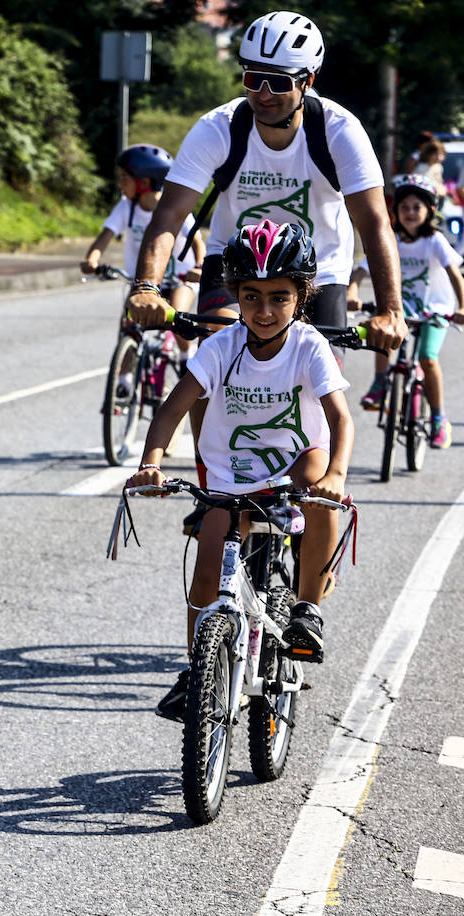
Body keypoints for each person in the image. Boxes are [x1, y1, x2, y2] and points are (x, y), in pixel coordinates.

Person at [129, 221, 352, 719]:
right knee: (207, 571)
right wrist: (151, 463)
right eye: (251, 297)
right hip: (233, 471)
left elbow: (339, 418)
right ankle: (197, 671)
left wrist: (336, 474)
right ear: (236, 295)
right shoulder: (221, 346)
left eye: (280, 297)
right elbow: (171, 409)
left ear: (302, 295)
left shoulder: (309, 345)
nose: (265, 310)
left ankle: (306, 610)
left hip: (297, 457)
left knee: (319, 493)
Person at [127, 11, 405, 359]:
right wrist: (146, 287)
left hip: (318, 266)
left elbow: (374, 222)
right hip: (234, 260)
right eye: (253, 78)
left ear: (308, 80)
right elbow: (169, 213)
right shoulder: (217, 128)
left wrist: (391, 310)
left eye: (279, 82)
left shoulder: (339, 131)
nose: (263, 93)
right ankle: (210, 413)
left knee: (323, 377)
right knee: (213, 349)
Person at [351, 174, 464, 447]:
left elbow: (454, 274)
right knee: (384, 333)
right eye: (405, 207)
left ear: (430, 211)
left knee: (427, 357)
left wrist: (461, 306)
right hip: (402, 309)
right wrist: (352, 292)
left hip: (434, 311)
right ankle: (380, 384)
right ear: (395, 211)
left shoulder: (435, 240)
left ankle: (439, 418)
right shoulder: (392, 241)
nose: (410, 213)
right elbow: (361, 270)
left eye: (417, 207)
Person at [81, 144, 205, 392]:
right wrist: (92, 259)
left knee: (177, 318)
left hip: (181, 278)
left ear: (144, 182)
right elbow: (105, 237)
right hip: (145, 283)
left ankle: (184, 355)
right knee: (128, 324)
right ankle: (125, 380)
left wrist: (200, 267)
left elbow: (198, 243)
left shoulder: (173, 205)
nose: (120, 184)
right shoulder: (127, 207)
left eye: (125, 179)